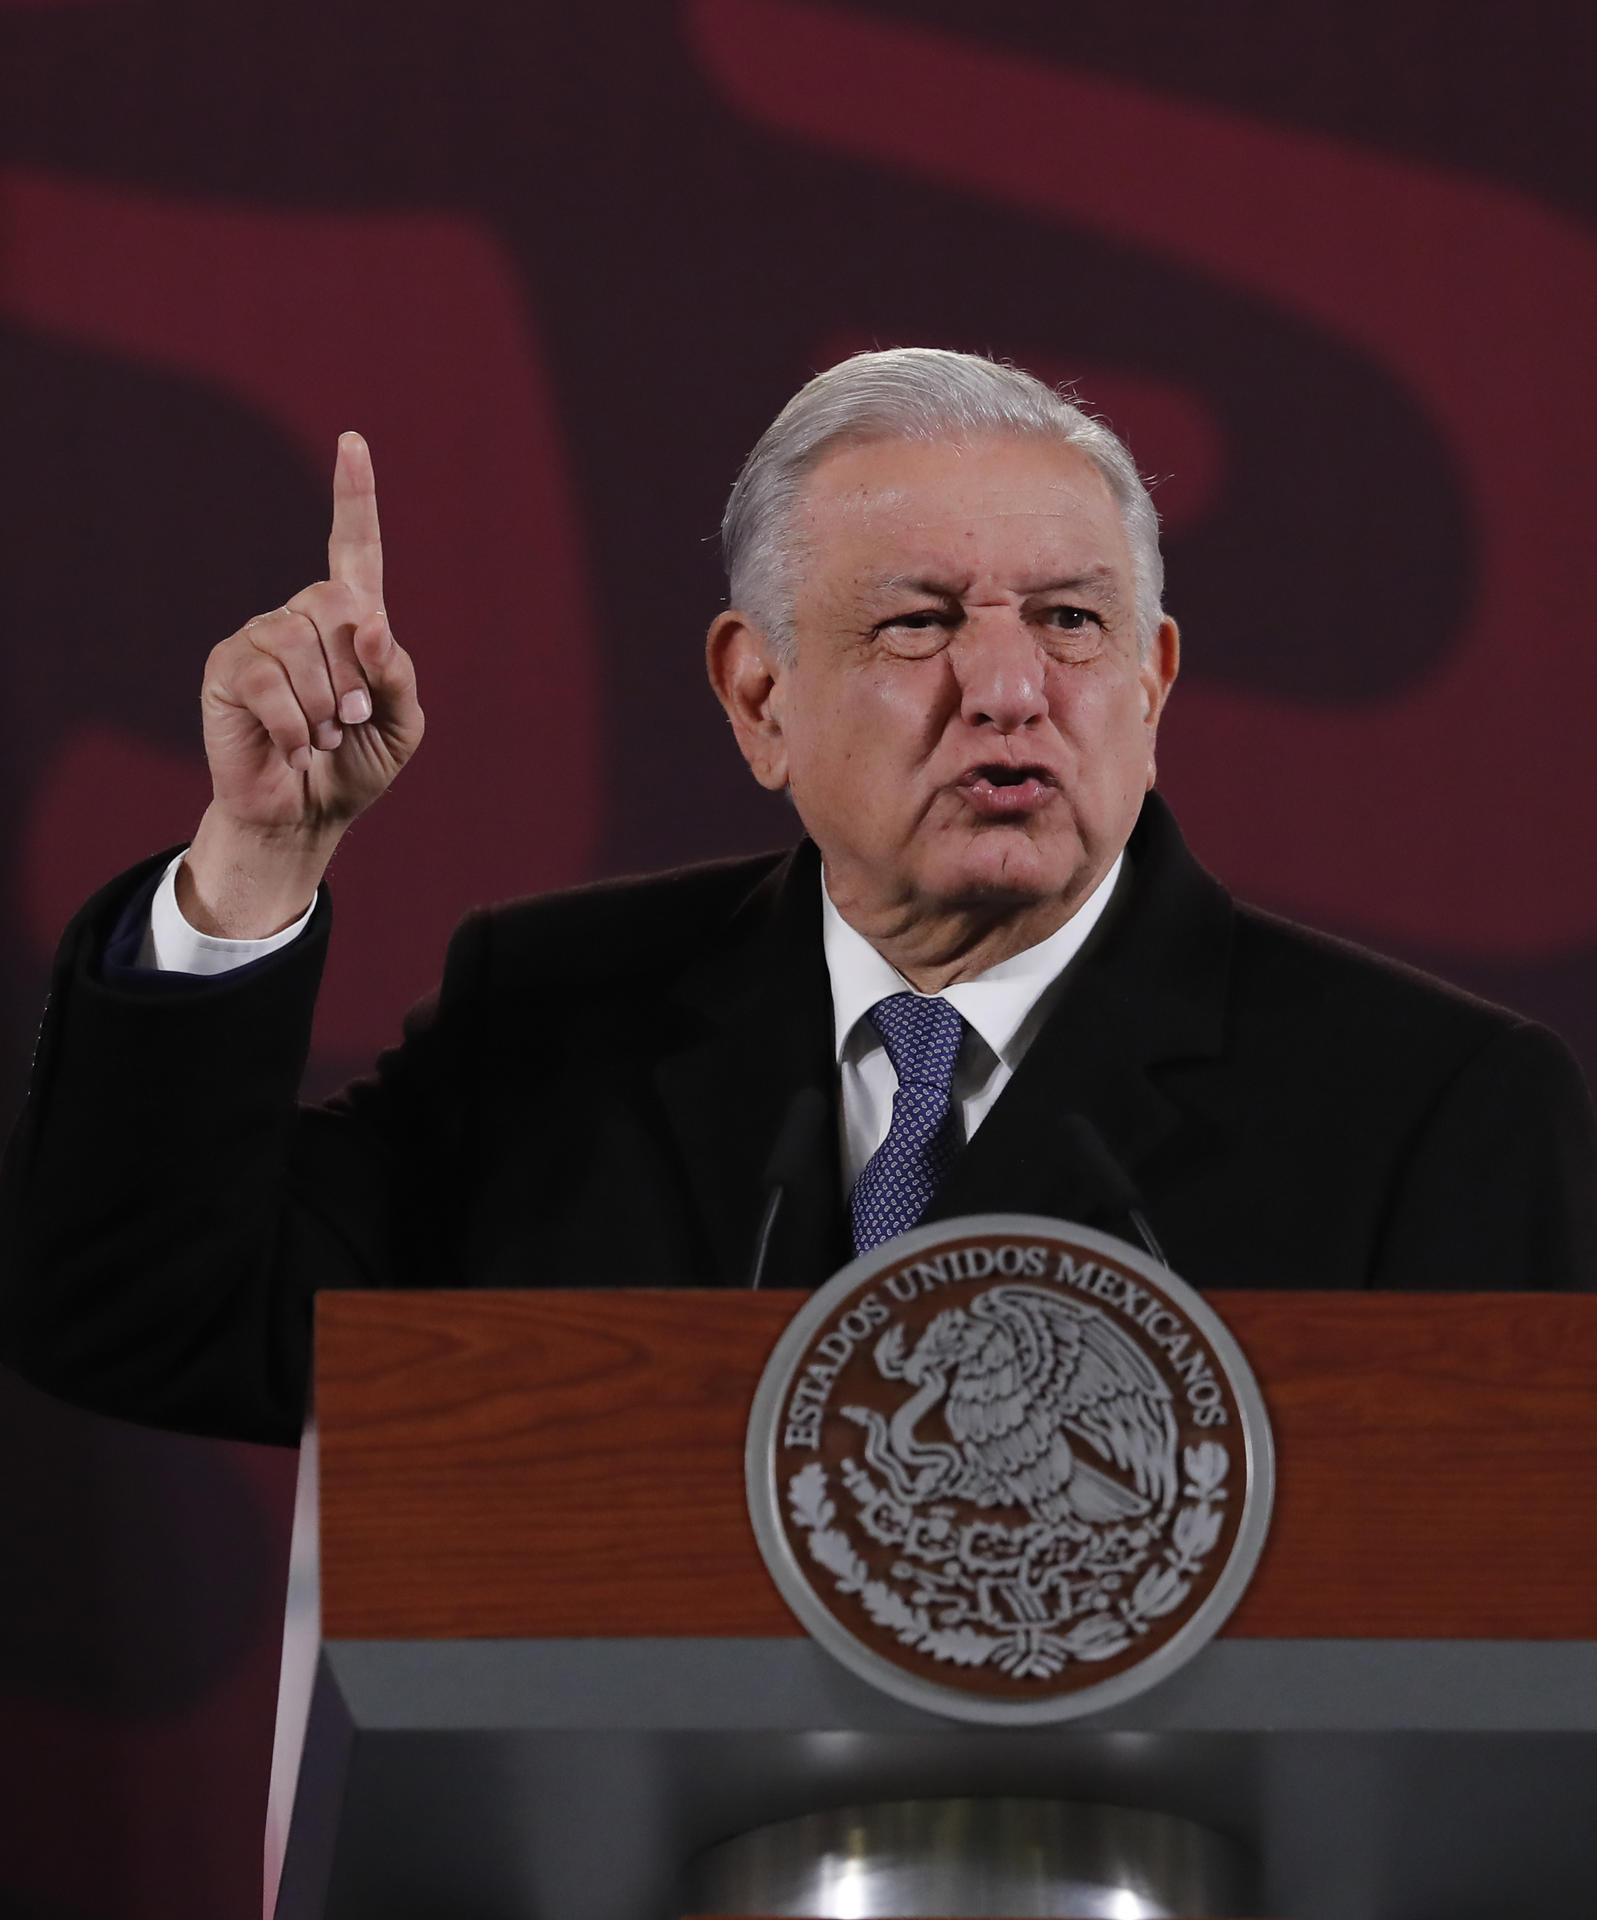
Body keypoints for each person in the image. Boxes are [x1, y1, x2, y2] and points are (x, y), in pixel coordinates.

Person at [1, 349, 1592, 1447]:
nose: (1006, 687)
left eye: (1069, 620)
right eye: (914, 623)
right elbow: (148, 1319)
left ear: (1154, 679)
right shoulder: (556, 1020)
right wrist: (258, 858)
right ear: (755, 696)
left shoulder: (1426, 1109)